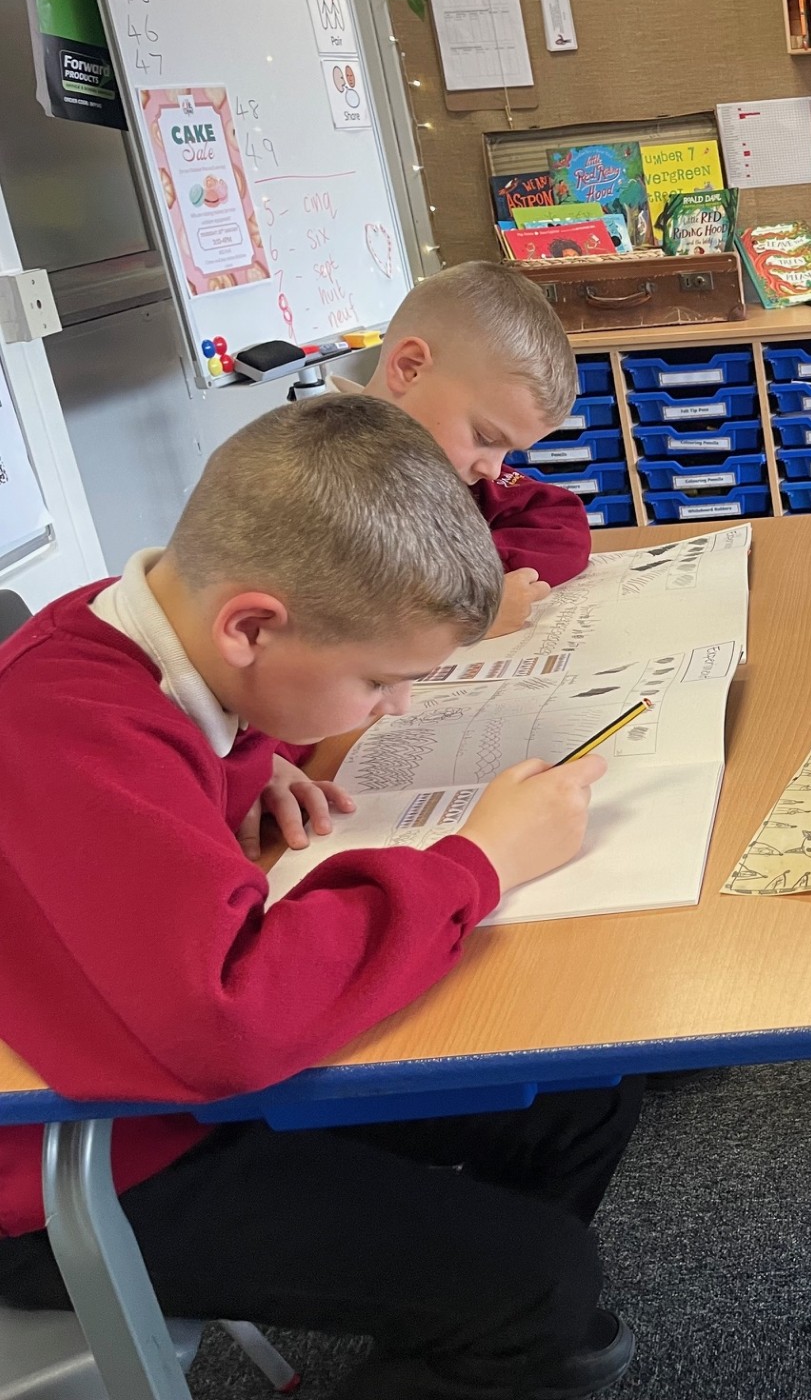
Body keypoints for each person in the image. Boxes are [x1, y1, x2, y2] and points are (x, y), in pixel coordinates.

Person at [0, 396, 639, 1400]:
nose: (398, 706)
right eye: (380, 681)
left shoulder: (150, 632)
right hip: (73, 1164)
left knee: (580, 1098)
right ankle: (498, 1318)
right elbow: (224, 1022)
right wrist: (477, 864)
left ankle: (462, 1325)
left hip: (157, 1091)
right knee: (542, 1287)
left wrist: (253, 763)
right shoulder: (64, 724)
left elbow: (172, 772)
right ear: (251, 626)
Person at [332, 260, 593, 636]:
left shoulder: (454, 470)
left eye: (508, 452)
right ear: (409, 368)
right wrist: (463, 613)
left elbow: (561, 525)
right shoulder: (303, 479)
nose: (492, 469)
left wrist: (475, 577)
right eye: (485, 437)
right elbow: (314, 626)